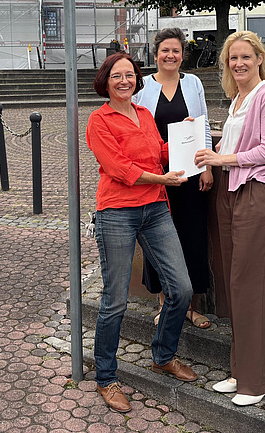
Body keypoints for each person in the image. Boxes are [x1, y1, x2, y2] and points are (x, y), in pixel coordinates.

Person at [87, 52, 198, 413]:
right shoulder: (98, 120)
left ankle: (163, 355)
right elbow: (119, 168)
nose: (125, 81)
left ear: (137, 79)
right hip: (117, 212)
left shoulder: (146, 114)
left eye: (130, 75)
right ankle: (106, 377)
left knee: (181, 288)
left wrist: (186, 137)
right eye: (117, 76)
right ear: (105, 81)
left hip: (154, 208)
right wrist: (161, 178)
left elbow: (158, 153)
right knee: (115, 300)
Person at [195, 31, 265, 407]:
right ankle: (242, 371)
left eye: (246, 57)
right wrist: (204, 142)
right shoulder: (237, 99)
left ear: (259, 59)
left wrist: (221, 160)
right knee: (237, 286)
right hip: (232, 194)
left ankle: (261, 380)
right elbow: (231, 147)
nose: (239, 64)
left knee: (252, 286)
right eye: (233, 58)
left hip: (257, 195)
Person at [133, 27, 213, 329]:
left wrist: (207, 167)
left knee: (191, 236)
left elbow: (202, 125)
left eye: (176, 51)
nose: (170, 55)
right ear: (156, 54)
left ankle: (191, 306)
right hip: (159, 175)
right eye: (165, 50)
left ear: (182, 55)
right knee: (160, 237)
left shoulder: (193, 83)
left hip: (191, 173)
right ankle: (165, 302)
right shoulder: (143, 87)